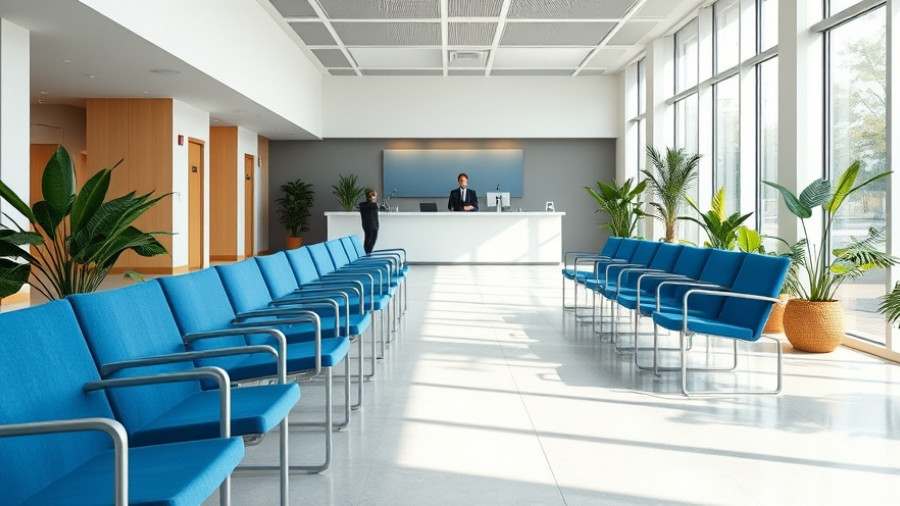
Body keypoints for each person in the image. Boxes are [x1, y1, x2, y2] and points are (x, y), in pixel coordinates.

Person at [358, 188, 379, 254]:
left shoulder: (373, 206)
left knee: (372, 241)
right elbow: (372, 206)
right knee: (368, 241)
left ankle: (368, 254)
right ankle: (366, 255)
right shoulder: (365, 206)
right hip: (369, 226)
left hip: (374, 226)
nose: (374, 197)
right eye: (372, 196)